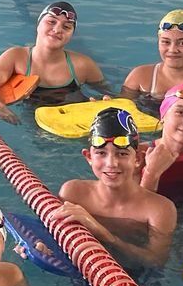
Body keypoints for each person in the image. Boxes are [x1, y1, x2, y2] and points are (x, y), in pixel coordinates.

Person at [58, 108, 176, 267]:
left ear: (138, 159)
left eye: (122, 154)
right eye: (101, 153)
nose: (111, 163)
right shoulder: (72, 192)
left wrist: (104, 234)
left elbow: (156, 261)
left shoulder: (160, 208)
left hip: (136, 281)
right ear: (88, 157)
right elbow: (54, 236)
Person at [0, 0, 108, 116]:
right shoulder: (16, 57)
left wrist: (104, 102)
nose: (57, 30)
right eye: (51, 22)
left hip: (74, 120)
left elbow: (107, 93)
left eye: (66, 27)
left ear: (71, 35)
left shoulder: (83, 65)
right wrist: (1, 108)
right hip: (35, 121)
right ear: (38, 24)